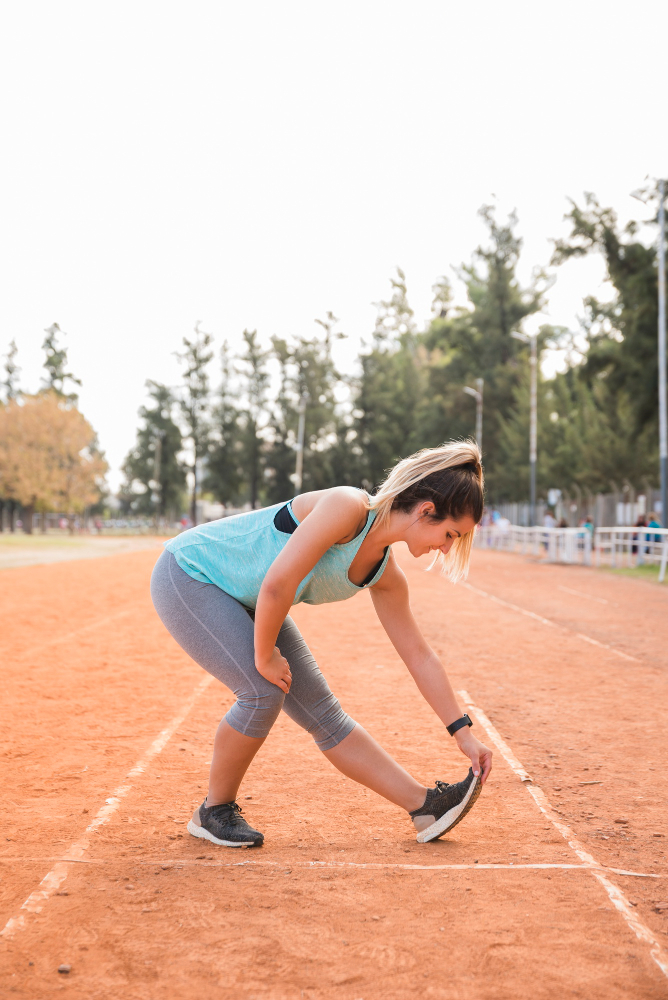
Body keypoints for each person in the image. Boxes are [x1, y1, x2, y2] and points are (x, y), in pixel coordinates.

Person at [151, 441, 492, 849]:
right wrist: (265, 655)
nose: (447, 546)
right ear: (425, 510)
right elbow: (278, 583)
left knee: (324, 715)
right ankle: (214, 810)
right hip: (191, 574)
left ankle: (425, 807)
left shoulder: (386, 576)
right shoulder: (347, 507)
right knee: (261, 691)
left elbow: (420, 657)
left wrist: (463, 734)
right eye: (450, 533)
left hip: (252, 598)